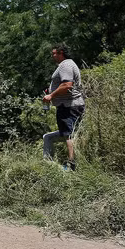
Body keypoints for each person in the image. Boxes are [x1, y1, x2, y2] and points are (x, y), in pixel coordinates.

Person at [42, 43, 85, 171]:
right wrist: (50, 90)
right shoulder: (68, 64)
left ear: (61, 53)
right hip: (71, 105)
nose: (52, 56)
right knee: (54, 136)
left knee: (68, 135)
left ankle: (71, 165)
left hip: (68, 106)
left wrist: (51, 95)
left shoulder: (65, 65)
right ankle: (50, 165)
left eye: (54, 53)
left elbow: (67, 85)